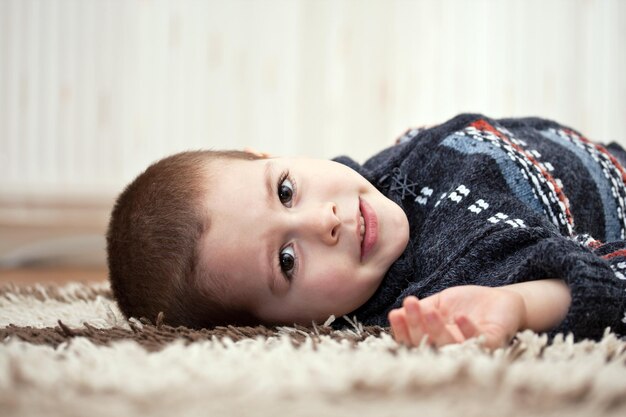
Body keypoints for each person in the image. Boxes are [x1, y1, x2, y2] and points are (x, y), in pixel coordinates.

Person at [106, 113, 626, 350]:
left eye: (285, 190)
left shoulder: (380, 173)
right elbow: (609, 282)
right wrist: (519, 305)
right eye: (287, 261)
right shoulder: (449, 278)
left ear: (271, 156)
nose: (322, 221)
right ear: (289, 325)